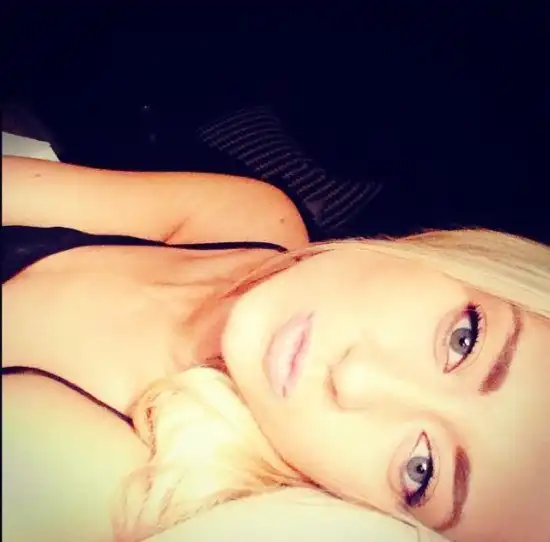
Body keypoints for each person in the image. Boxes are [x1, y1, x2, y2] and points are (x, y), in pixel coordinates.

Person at [2, 155, 549, 542]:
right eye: (464, 339)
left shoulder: (123, 486)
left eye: (421, 470)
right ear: (468, 257)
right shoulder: (252, 218)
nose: (356, 378)